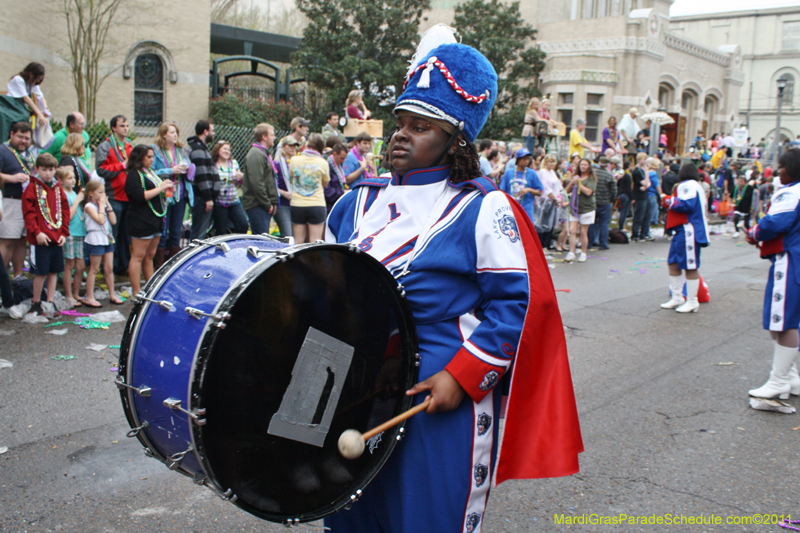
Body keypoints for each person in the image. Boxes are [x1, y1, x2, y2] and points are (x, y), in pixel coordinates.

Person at [324, 26, 581, 532]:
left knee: (425, 521)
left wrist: (463, 377)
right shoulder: (354, 204)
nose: (401, 134)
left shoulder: (485, 209)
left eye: (422, 126)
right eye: (401, 122)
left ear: (455, 140)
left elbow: (518, 306)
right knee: (352, 518)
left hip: (433, 396)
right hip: (353, 387)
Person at [745, 149, 800, 401]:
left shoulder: (792, 192)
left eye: (781, 167)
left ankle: (779, 380)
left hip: (788, 261)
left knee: (783, 322)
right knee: (790, 320)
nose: (778, 172)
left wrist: (754, 232)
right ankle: (791, 377)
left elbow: (772, 224)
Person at [21, 153, 69, 317]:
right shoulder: (32, 188)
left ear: (55, 170)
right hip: (40, 239)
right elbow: (29, 214)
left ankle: (50, 302)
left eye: (51, 170)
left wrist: (64, 232)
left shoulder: (57, 188)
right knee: (40, 272)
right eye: (44, 170)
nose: (48, 173)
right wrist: (37, 232)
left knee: (54, 271)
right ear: (37, 169)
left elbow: (65, 211)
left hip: (56, 237)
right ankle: (36, 303)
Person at [660, 164, 709, 313]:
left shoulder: (689, 185)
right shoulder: (693, 186)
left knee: (690, 265)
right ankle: (677, 297)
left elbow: (686, 205)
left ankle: (692, 300)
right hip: (682, 230)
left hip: (689, 230)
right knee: (673, 263)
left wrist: (667, 200)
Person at [125, 145, 173, 298]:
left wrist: (166, 190)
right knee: (138, 255)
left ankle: (150, 287)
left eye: (152, 156)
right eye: (149, 157)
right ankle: (135, 291)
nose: (152, 160)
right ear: (139, 158)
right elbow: (139, 196)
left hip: (156, 219)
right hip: (141, 220)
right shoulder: (133, 175)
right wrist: (161, 188)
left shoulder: (150, 172)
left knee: (150, 255)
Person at [95, 115, 132, 275]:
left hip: (128, 197)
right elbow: (101, 169)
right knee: (113, 233)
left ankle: (123, 266)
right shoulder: (105, 146)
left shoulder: (130, 146)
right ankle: (111, 267)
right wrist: (122, 165)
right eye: (122, 125)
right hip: (114, 197)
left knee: (126, 234)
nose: (125, 128)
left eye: (127, 125)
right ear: (113, 128)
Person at [151, 122, 192, 263]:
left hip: (180, 194)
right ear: (163, 135)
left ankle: (174, 262)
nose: (175, 135)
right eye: (172, 132)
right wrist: (170, 170)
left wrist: (188, 169)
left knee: (176, 230)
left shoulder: (182, 150)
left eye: (176, 133)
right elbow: (151, 172)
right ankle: (159, 263)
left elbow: (191, 168)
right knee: (163, 230)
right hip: (163, 196)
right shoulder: (155, 151)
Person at [0, 122, 33, 278]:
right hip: (10, 201)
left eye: (27, 138)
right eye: (20, 137)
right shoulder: (3, 150)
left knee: (22, 240)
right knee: (7, 241)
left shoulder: (29, 155)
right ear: (11, 134)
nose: (24, 141)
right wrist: (11, 178)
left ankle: (18, 277)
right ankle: (2, 278)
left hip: (27, 203)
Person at [81, 180, 118, 308]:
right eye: (100, 192)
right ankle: (89, 296)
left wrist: (107, 204)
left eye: (104, 192)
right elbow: (100, 220)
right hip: (95, 238)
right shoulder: (89, 206)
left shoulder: (103, 206)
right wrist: (102, 206)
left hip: (107, 237)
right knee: (94, 268)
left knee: (109, 268)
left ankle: (112, 294)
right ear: (91, 193)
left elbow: (113, 221)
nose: (103, 194)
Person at [289, 133, 329, 243]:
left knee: (298, 242)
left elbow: (292, 178)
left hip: (297, 204)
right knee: (315, 242)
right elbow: (325, 184)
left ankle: (296, 260)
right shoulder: (323, 163)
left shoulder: (294, 160)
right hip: (316, 204)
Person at [241, 123, 278, 235]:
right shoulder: (256, 154)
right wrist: (267, 204)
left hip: (263, 204)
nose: (274, 137)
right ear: (264, 137)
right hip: (257, 205)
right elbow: (257, 182)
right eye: (272, 135)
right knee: (261, 238)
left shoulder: (263, 153)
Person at [58, 166, 86, 308]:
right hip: (69, 233)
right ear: (61, 180)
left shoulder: (74, 193)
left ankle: (76, 293)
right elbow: (67, 215)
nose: (73, 181)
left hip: (80, 232)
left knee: (80, 266)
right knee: (69, 264)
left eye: (74, 178)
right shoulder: (63, 194)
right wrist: (77, 201)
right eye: (69, 178)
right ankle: (68, 294)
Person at [186, 120, 219, 241]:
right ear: (205, 132)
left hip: (204, 198)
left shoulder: (202, 149)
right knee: (199, 233)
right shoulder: (198, 150)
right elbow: (201, 176)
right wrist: (208, 198)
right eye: (212, 130)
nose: (213, 133)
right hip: (202, 198)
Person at [209, 140, 248, 236]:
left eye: (229, 150)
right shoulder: (213, 165)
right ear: (218, 150)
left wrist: (241, 177)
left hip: (233, 200)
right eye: (224, 149)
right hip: (219, 202)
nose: (227, 151)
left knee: (243, 225)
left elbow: (240, 182)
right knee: (221, 230)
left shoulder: (233, 163)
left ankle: (236, 243)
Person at [565, 158, 597, 263]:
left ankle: (583, 253)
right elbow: (567, 191)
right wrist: (572, 183)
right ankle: (571, 252)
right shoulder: (576, 177)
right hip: (575, 208)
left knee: (583, 232)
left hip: (587, 208)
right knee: (572, 230)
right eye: (581, 165)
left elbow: (589, 192)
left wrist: (579, 184)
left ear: (589, 167)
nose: (583, 167)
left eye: (585, 165)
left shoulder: (591, 178)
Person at [499, 148, 543, 224]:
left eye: (528, 159)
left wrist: (528, 189)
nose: (526, 161)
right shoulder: (509, 173)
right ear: (518, 159)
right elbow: (502, 191)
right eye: (524, 159)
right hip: (511, 210)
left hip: (526, 211)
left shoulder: (532, 173)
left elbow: (539, 192)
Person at [536, 154, 568, 251]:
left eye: (553, 161)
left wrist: (558, 198)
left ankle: (547, 244)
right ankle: (541, 245)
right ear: (545, 162)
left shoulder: (552, 172)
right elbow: (545, 188)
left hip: (553, 201)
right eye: (550, 161)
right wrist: (554, 198)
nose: (552, 164)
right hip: (545, 202)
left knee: (551, 224)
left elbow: (557, 187)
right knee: (542, 224)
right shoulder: (542, 172)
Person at [7, 62, 49, 128]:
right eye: (37, 78)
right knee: (23, 116)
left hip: (21, 107)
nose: (37, 81)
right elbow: (26, 98)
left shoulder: (33, 84)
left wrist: (45, 110)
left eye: (40, 79)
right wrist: (39, 114)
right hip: (11, 105)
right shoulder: (18, 79)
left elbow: (41, 97)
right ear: (30, 74)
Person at [588, 155, 617, 250]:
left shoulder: (593, 173)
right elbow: (614, 191)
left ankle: (590, 242)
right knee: (604, 224)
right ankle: (603, 243)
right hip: (605, 202)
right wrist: (612, 200)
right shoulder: (609, 175)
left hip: (593, 201)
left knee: (592, 223)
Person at [274, 136, 297, 237]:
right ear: (283, 147)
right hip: (282, 203)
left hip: (296, 203)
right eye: (290, 146)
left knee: (297, 235)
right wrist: (284, 193)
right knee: (287, 234)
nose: (293, 148)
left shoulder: (297, 162)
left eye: (294, 146)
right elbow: (272, 185)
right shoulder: (277, 163)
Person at [630, 152, 651, 241]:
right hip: (639, 196)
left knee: (646, 214)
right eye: (643, 159)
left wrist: (646, 184)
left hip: (644, 195)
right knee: (639, 215)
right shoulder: (636, 172)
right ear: (639, 160)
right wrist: (647, 174)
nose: (645, 161)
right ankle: (635, 234)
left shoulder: (641, 170)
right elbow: (645, 182)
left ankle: (643, 233)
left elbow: (648, 183)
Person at [325, 143, 347, 213]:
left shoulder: (338, 166)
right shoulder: (327, 166)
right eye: (341, 158)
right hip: (329, 207)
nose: (343, 161)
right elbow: (327, 191)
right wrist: (342, 192)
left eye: (344, 158)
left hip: (336, 204)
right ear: (334, 154)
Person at [645, 157, 663, 235]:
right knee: (650, 215)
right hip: (652, 194)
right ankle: (646, 232)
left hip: (646, 194)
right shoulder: (654, 174)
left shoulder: (648, 172)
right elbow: (657, 186)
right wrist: (661, 195)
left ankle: (644, 231)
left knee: (645, 214)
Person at [617, 160, 633, 231]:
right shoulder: (628, 176)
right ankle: (621, 226)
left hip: (620, 194)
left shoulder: (621, 175)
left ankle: (621, 225)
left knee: (621, 211)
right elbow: (628, 188)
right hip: (626, 195)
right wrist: (631, 197)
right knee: (624, 212)